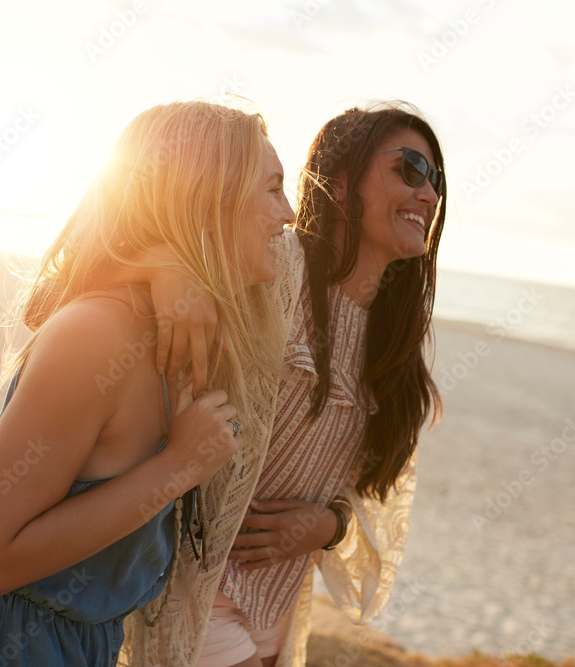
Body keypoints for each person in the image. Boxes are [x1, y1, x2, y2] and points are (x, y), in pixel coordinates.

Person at [0, 100, 294, 667]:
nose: (290, 212)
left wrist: (164, 266)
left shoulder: (173, 329)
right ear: (208, 201)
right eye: (273, 189)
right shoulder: (99, 333)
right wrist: (177, 466)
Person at [120, 102, 446, 666]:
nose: (429, 193)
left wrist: (328, 523)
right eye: (411, 169)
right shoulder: (274, 267)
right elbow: (126, 249)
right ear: (341, 183)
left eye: (435, 180)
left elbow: (374, 494)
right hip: (195, 589)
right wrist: (164, 267)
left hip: (281, 608)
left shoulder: (396, 341)